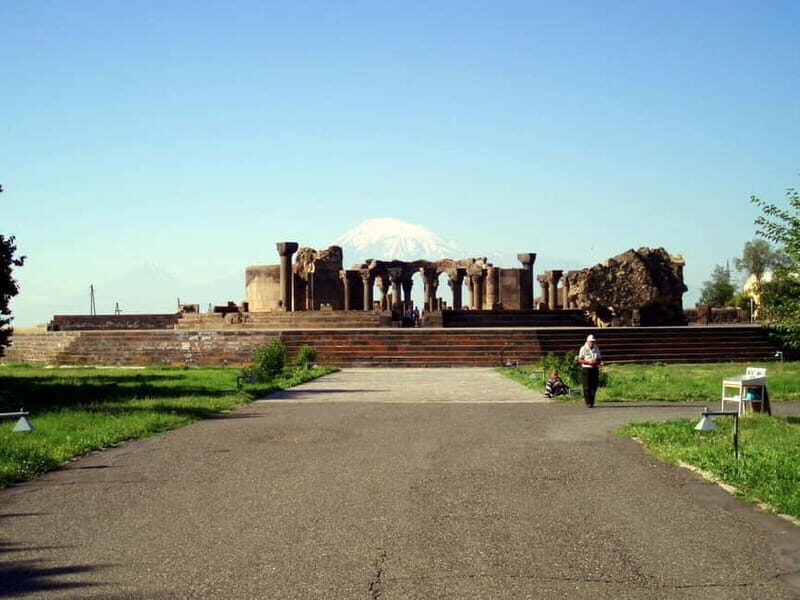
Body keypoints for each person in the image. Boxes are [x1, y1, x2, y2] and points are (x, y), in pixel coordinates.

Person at [577, 334, 602, 407]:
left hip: (594, 368)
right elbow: (580, 359)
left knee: (594, 386)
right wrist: (588, 362)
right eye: (591, 342)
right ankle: (588, 402)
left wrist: (599, 362)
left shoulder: (596, 348)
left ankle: (592, 401)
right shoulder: (583, 348)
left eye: (593, 342)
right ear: (587, 341)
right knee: (587, 386)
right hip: (586, 368)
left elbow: (599, 358)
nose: (592, 343)